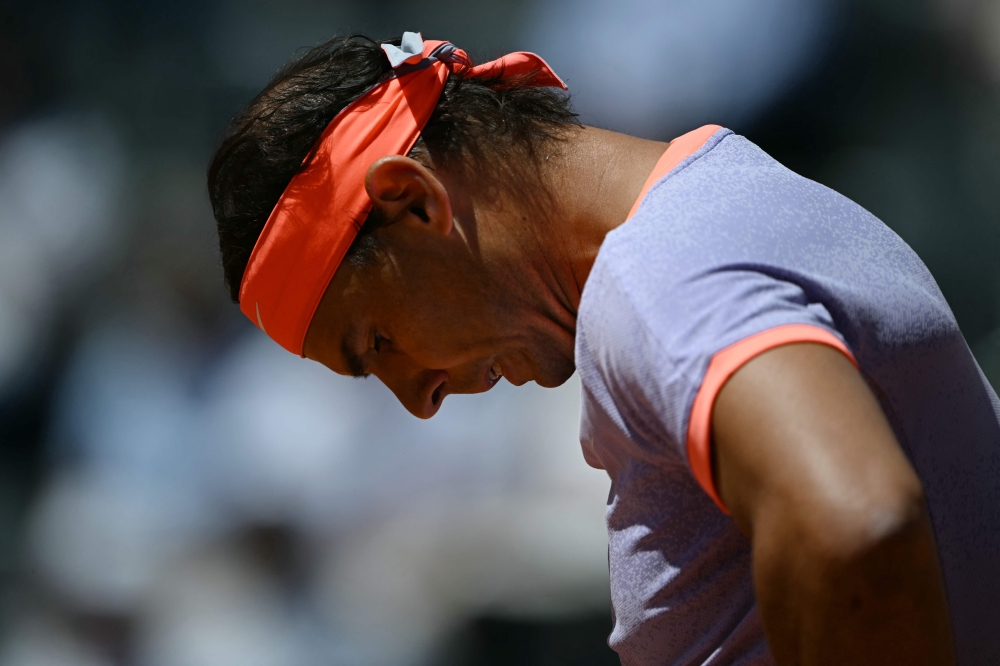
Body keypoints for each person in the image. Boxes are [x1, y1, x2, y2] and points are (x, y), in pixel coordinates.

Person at [207, 33, 1000, 665]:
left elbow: (856, 524)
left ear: (412, 202)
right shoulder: (715, 201)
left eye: (376, 342)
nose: (418, 399)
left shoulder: (662, 276)